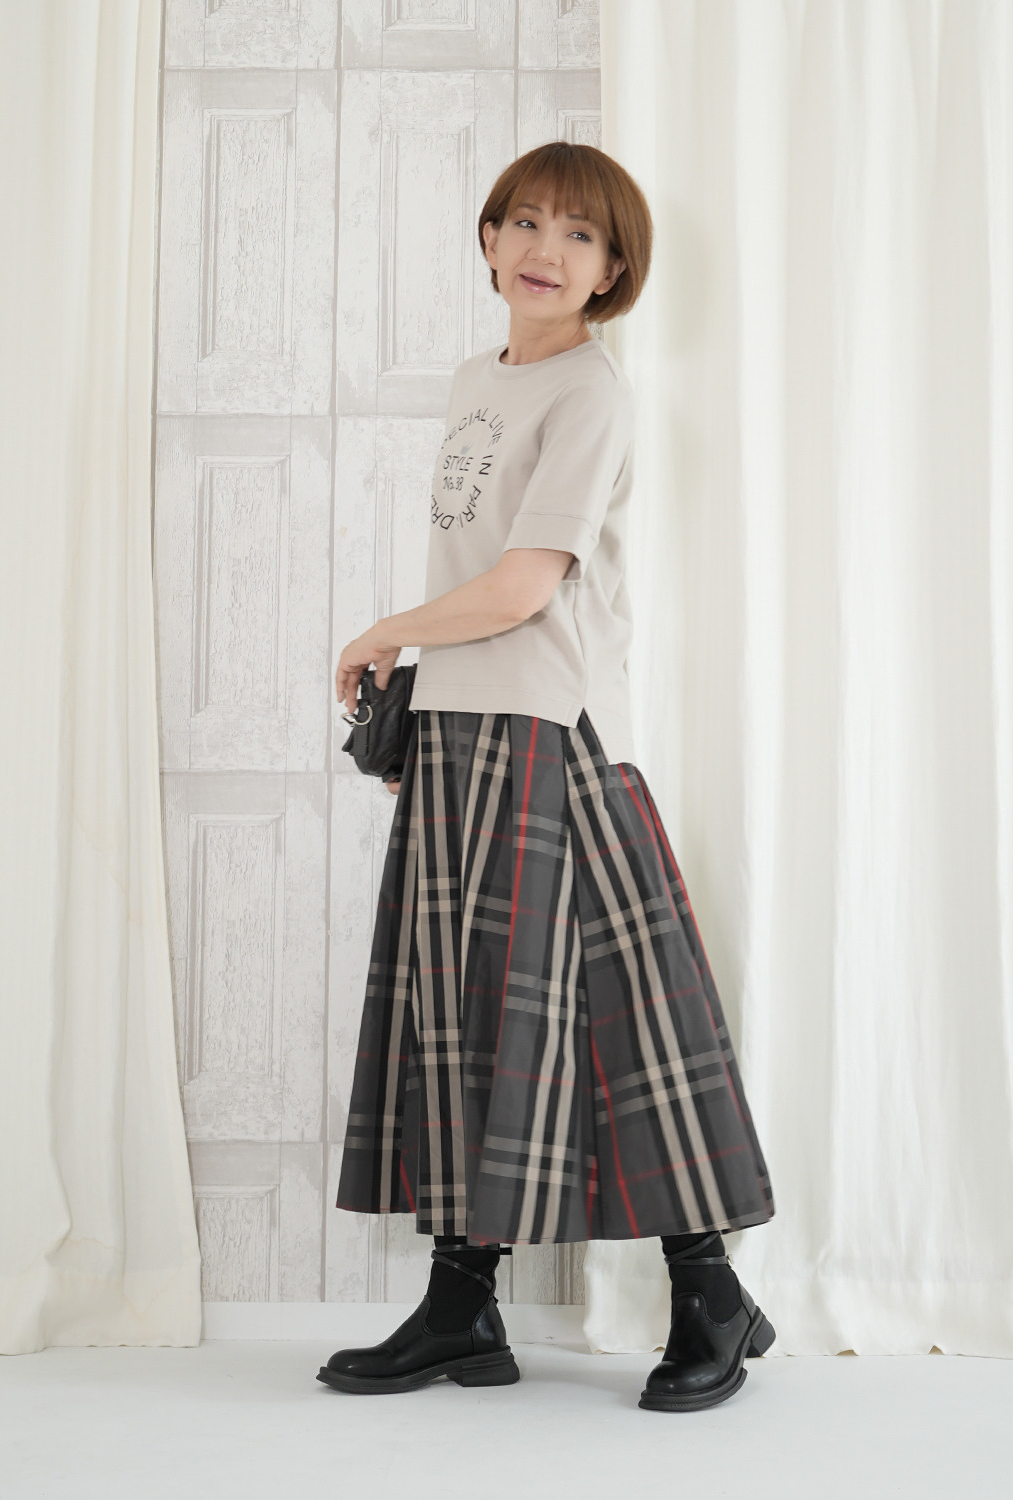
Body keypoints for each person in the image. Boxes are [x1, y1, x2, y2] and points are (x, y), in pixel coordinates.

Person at [321, 141, 775, 1413]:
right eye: (525, 222)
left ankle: (713, 1297)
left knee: (630, 1018)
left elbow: (525, 586)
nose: (546, 250)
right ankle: (461, 1307)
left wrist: (386, 632)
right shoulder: (480, 379)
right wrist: (425, 688)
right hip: (463, 731)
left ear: (614, 270)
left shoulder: (593, 395)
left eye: (581, 236)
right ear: (487, 238)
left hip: (553, 728)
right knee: (462, 1012)